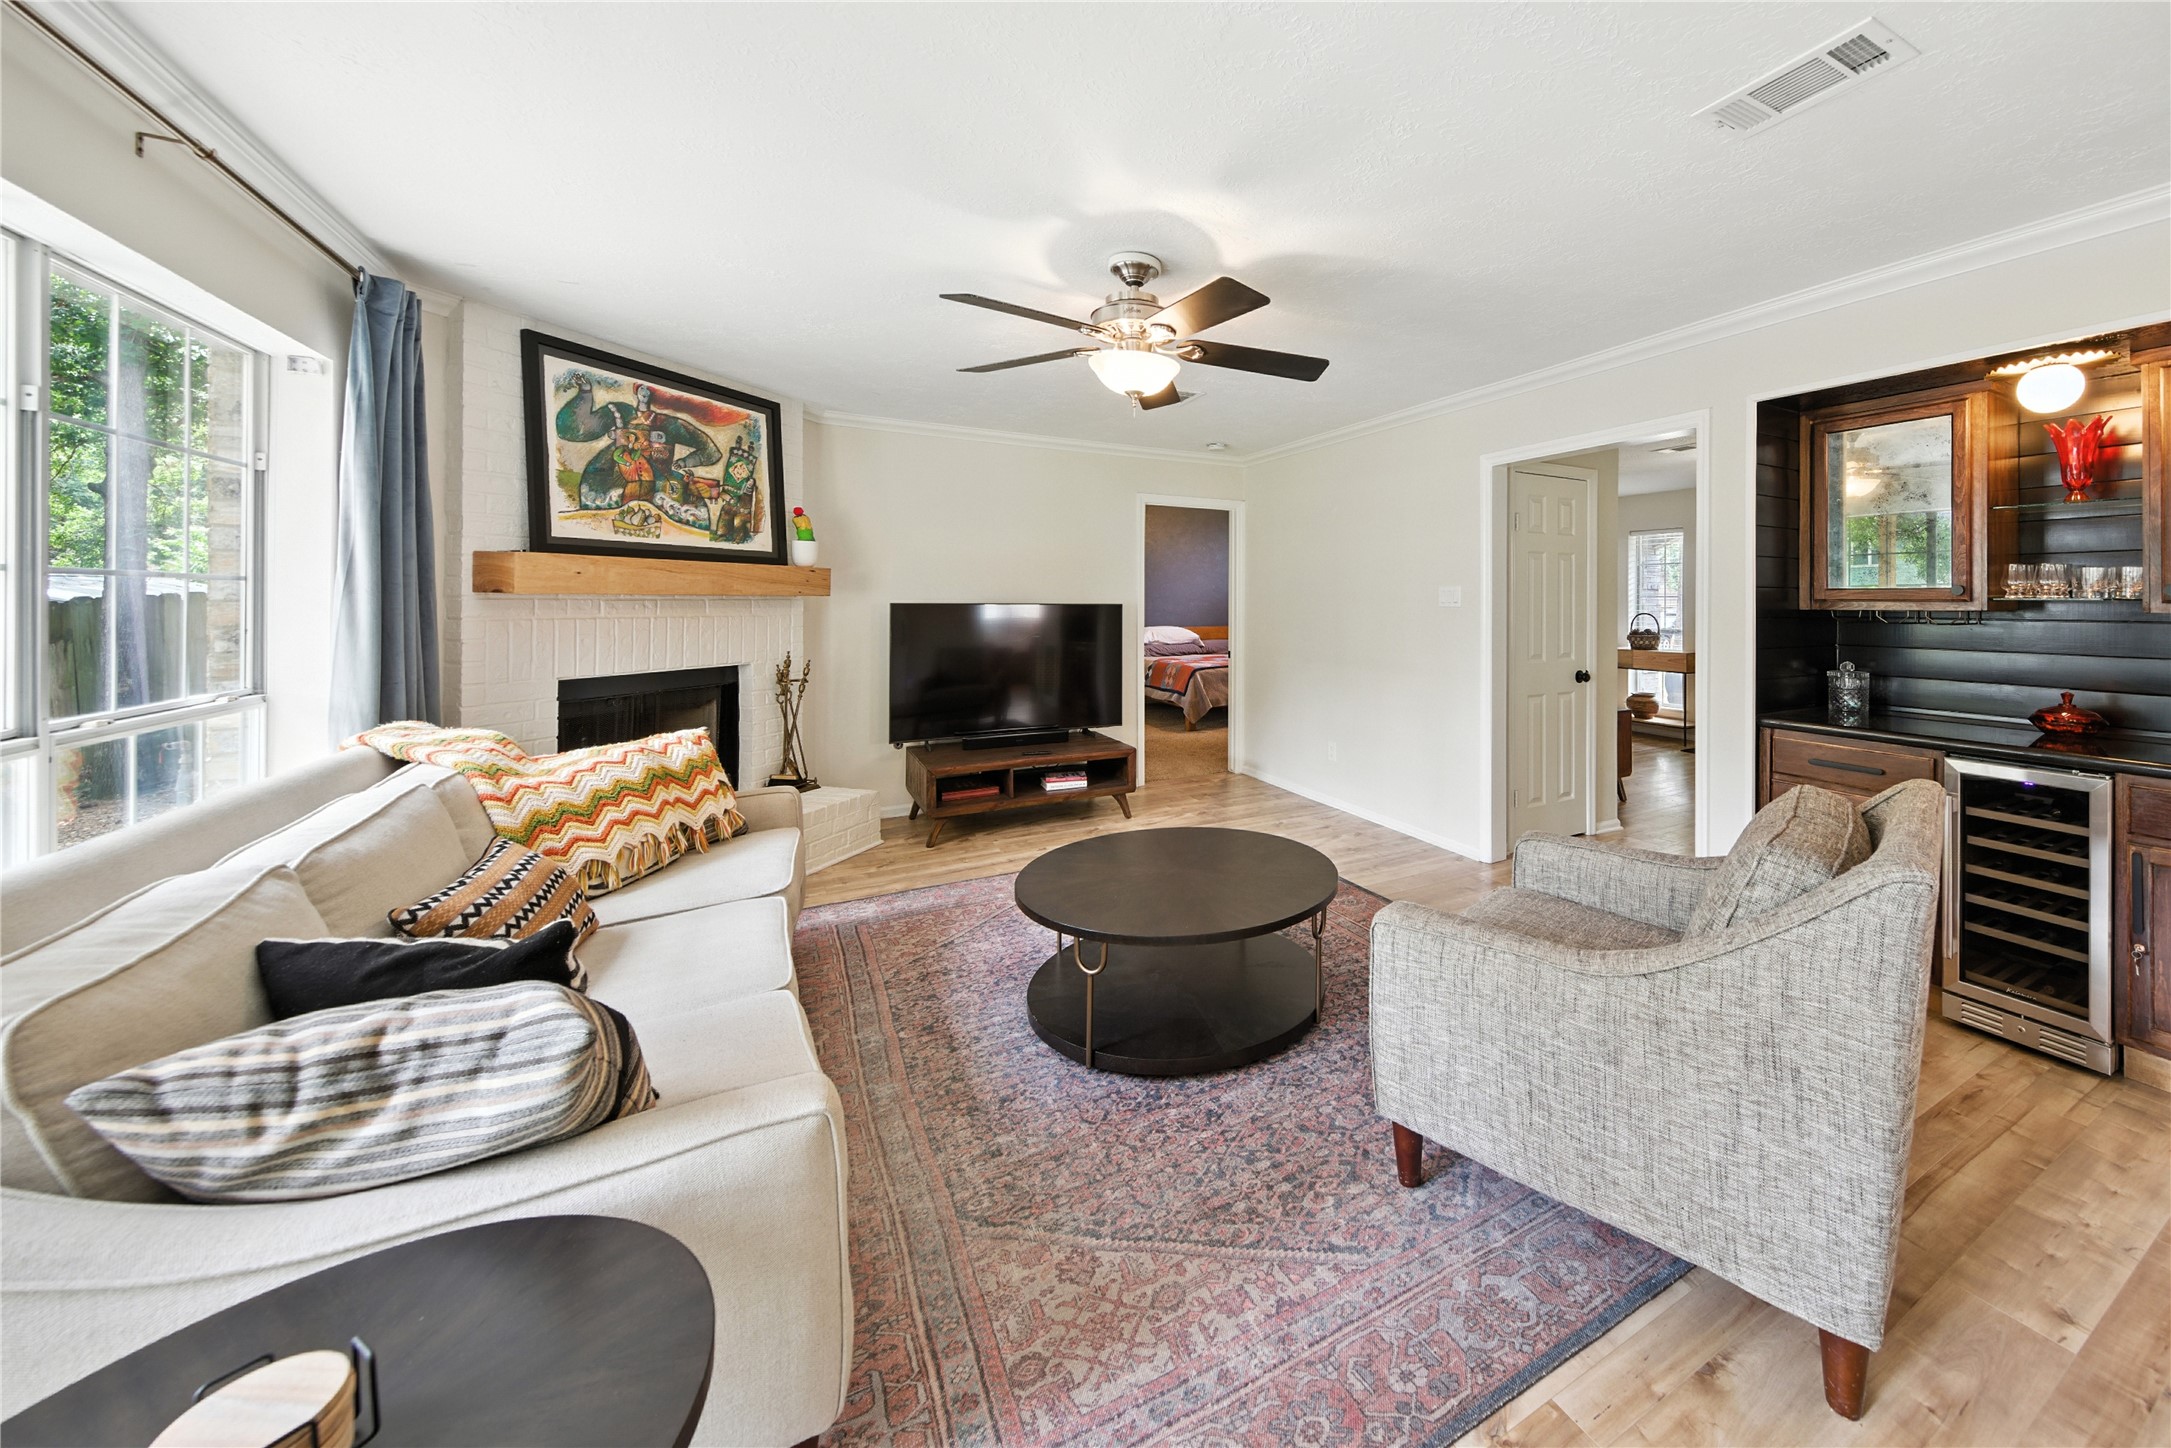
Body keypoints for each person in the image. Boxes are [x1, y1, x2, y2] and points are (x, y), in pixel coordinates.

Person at [555, 378, 722, 510]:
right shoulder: (621, 412)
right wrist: (585, 393)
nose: (645, 391)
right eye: (642, 387)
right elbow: (575, 429)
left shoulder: (668, 423)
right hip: (610, 488)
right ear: (636, 390)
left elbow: (711, 451)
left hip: (660, 491)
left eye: (650, 389)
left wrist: (686, 462)